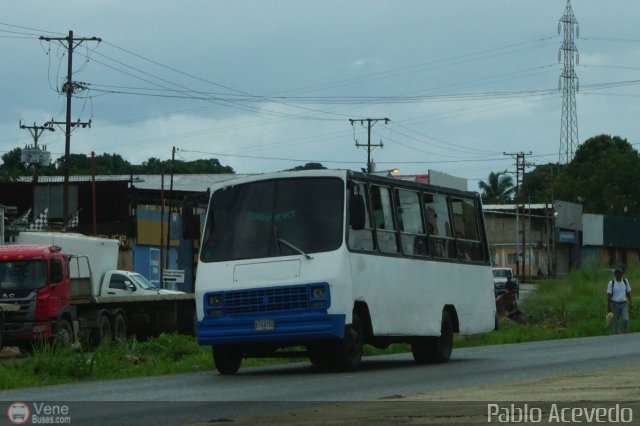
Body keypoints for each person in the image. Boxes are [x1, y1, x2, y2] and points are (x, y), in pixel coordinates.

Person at [607, 268, 632, 334]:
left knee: (625, 319)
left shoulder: (625, 281)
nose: (621, 275)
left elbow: (628, 292)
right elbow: (609, 295)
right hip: (615, 304)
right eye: (619, 273)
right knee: (615, 320)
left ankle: (625, 331)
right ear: (615, 274)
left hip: (624, 304)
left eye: (622, 273)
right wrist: (609, 306)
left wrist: (630, 302)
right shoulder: (611, 283)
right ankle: (616, 333)